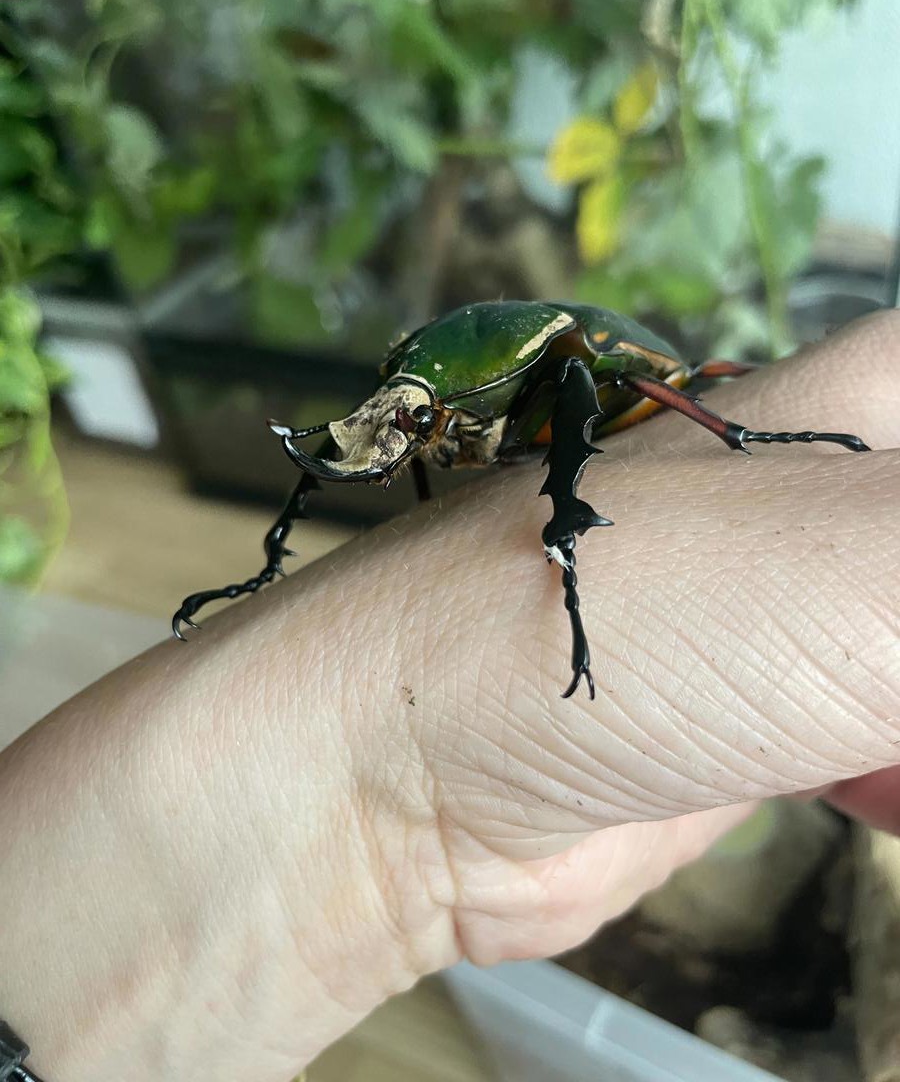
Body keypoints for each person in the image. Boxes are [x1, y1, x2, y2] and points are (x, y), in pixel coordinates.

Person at [0, 310, 897, 1082]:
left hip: (622, 380)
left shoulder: (548, 366)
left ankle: (621, 498)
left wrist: (729, 437)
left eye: (417, 412)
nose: (389, 432)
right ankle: (276, 563)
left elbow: (597, 374)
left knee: (593, 373)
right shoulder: (441, 394)